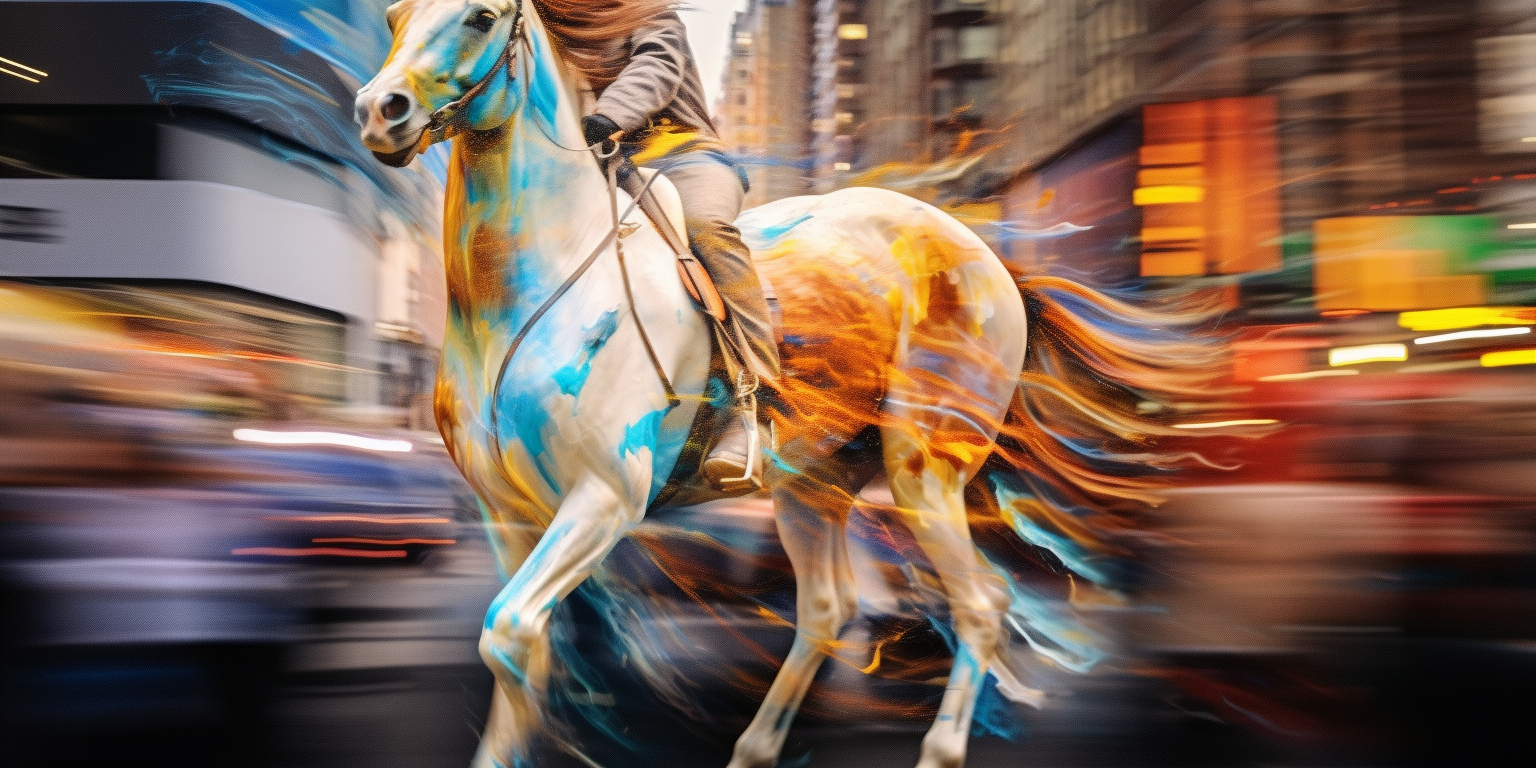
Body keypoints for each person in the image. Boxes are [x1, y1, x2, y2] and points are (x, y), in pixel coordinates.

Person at [547, 0, 779, 489]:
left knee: (705, 228)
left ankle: (755, 408)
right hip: (600, 173)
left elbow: (657, 66)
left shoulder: (648, 16)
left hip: (683, 158)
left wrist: (606, 118)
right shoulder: (550, 34)